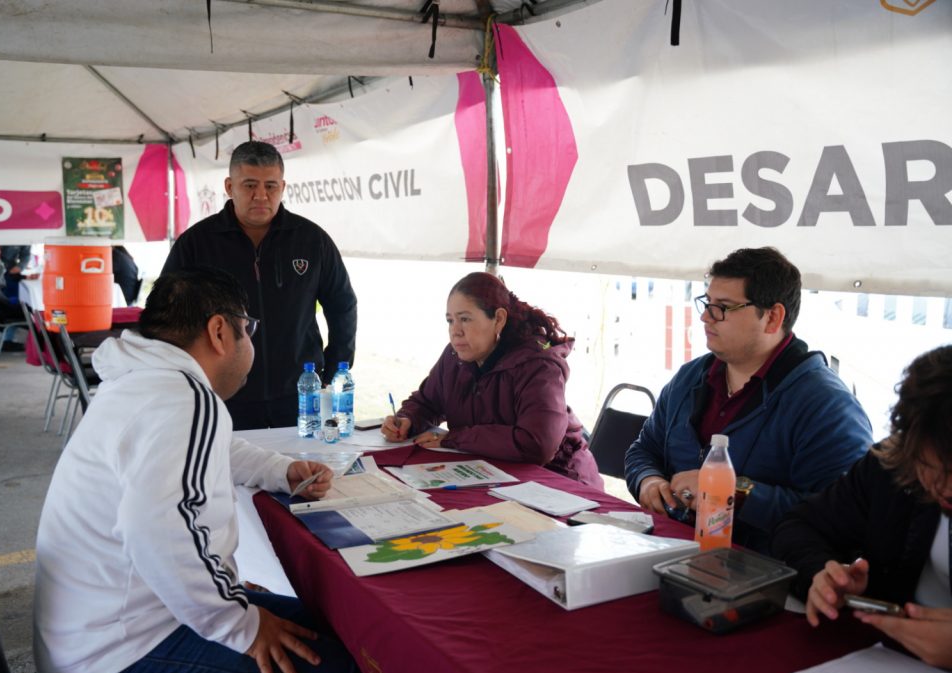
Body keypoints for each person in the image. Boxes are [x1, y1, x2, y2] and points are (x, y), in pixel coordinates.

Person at [33, 268, 360, 673]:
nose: (250, 341)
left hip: (92, 633)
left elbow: (211, 451)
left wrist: (281, 470)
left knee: (344, 626)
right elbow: (156, 530)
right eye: (248, 328)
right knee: (347, 668)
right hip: (120, 651)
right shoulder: (184, 399)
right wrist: (240, 624)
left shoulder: (144, 384)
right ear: (219, 332)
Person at [623, 247, 873, 553]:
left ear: (772, 318)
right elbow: (644, 449)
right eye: (707, 302)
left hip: (766, 572)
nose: (705, 317)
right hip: (669, 551)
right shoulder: (690, 378)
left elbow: (843, 518)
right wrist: (648, 480)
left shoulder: (826, 406)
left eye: (723, 307)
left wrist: (735, 491)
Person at [772, 345, 952, 669]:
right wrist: (825, 575)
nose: (945, 486)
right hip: (888, 660)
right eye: (930, 466)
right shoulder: (892, 467)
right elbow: (800, 527)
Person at [162, 141, 357, 430]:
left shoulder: (312, 240)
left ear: (283, 187)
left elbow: (342, 304)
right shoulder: (196, 243)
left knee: (304, 459)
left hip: (300, 394)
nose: (261, 195)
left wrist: (335, 368)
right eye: (250, 185)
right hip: (222, 394)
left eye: (271, 186)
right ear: (229, 187)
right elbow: (166, 314)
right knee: (231, 461)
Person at [381, 271, 601, 488]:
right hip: (492, 475)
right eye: (450, 320)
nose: (455, 331)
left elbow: (537, 444)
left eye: (465, 319)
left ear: (499, 319)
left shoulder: (538, 365)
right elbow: (428, 402)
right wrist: (407, 420)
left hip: (561, 481)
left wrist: (456, 439)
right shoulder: (455, 356)